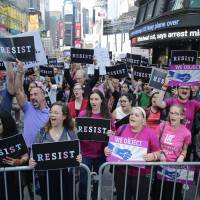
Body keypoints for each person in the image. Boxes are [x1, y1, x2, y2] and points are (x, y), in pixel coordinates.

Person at [105, 106, 160, 200]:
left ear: (143, 120)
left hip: (141, 175)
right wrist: (107, 149)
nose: (132, 117)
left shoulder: (150, 133)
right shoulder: (122, 128)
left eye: (136, 115)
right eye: (131, 114)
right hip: (121, 173)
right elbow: (112, 145)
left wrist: (153, 156)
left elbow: (158, 152)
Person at [29, 102, 82, 200]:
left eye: (56, 113)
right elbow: (34, 152)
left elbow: (78, 151)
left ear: (64, 116)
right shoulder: (42, 133)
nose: (52, 115)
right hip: (47, 178)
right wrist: (31, 160)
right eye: (51, 112)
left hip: (66, 178)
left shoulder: (71, 133)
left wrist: (79, 157)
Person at [78, 89, 115, 200]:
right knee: (84, 182)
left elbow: (114, 134)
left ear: (101, 101)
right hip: (85, 154)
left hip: (100, 154)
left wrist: (111, 133)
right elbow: (77, 132)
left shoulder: (107, 116)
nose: (93, 101)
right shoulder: (83, 114)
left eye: (96, 99)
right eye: (91, 99)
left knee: (97, 181)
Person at [152, 105, 191, 200]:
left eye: (176, 114)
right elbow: (155, 144)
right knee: (158, 193)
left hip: (175, 169)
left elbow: (185, 149)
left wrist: (182, 156)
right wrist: (160, 153)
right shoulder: (162, 126)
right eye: (171, 113)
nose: (173, 116)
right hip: (160, 166)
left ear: (182, 116)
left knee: (172, 194)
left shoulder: (186, 133)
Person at [156, 84, 200, 160]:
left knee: (182, 168)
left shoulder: (193, 103)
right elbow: (159, 104)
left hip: (186, 142)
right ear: (177, 89)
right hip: (169, 142)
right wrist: (164, 86)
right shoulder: (171, 100)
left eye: (187, 88)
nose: (184, 90)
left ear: (190, 91)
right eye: (182, 88)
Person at [0, 111, 29, 200]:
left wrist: (19, 161)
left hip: (14, 179)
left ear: (6, 123)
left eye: (0, 124)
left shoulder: (16, 138)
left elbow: (25, 155)